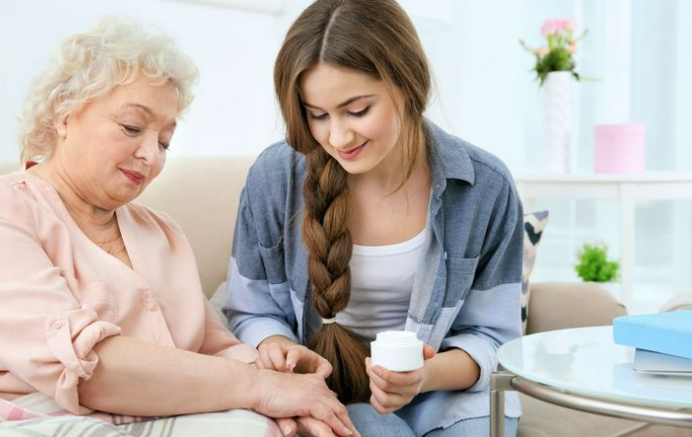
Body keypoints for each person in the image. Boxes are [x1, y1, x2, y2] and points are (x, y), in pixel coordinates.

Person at [0, 17, 357, 436]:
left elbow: (215, 349)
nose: (151, 155)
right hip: (14, 413)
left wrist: (271, 367)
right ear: (63, 113)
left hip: (145, 416)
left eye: (165, 141)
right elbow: (86, 367)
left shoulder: (161, 234)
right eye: (131, 126)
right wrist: (262, 389)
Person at [223, 0, 523, 436]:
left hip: (450, 397)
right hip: (332, 393)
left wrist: (422, 377)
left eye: (358, 110)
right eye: (317, 115)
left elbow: (495, 338)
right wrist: (279, 349)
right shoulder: (275, 180)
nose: (338, 137)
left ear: (406, 84)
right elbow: (251, 312)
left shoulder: (483, 187)